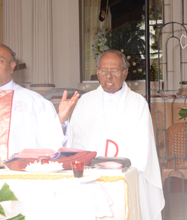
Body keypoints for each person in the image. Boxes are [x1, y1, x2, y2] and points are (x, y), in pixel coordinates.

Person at [67, 49, 164, 220]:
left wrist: (123, 173)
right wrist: (89, 170)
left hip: (126, 177)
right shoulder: (85, 102)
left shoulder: (138, 103)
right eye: (104, 70)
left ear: (125, 73)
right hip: (92, 179)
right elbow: (77, 141)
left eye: (115, 70)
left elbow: (143, 146)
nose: (109, 76)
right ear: (97, 72)